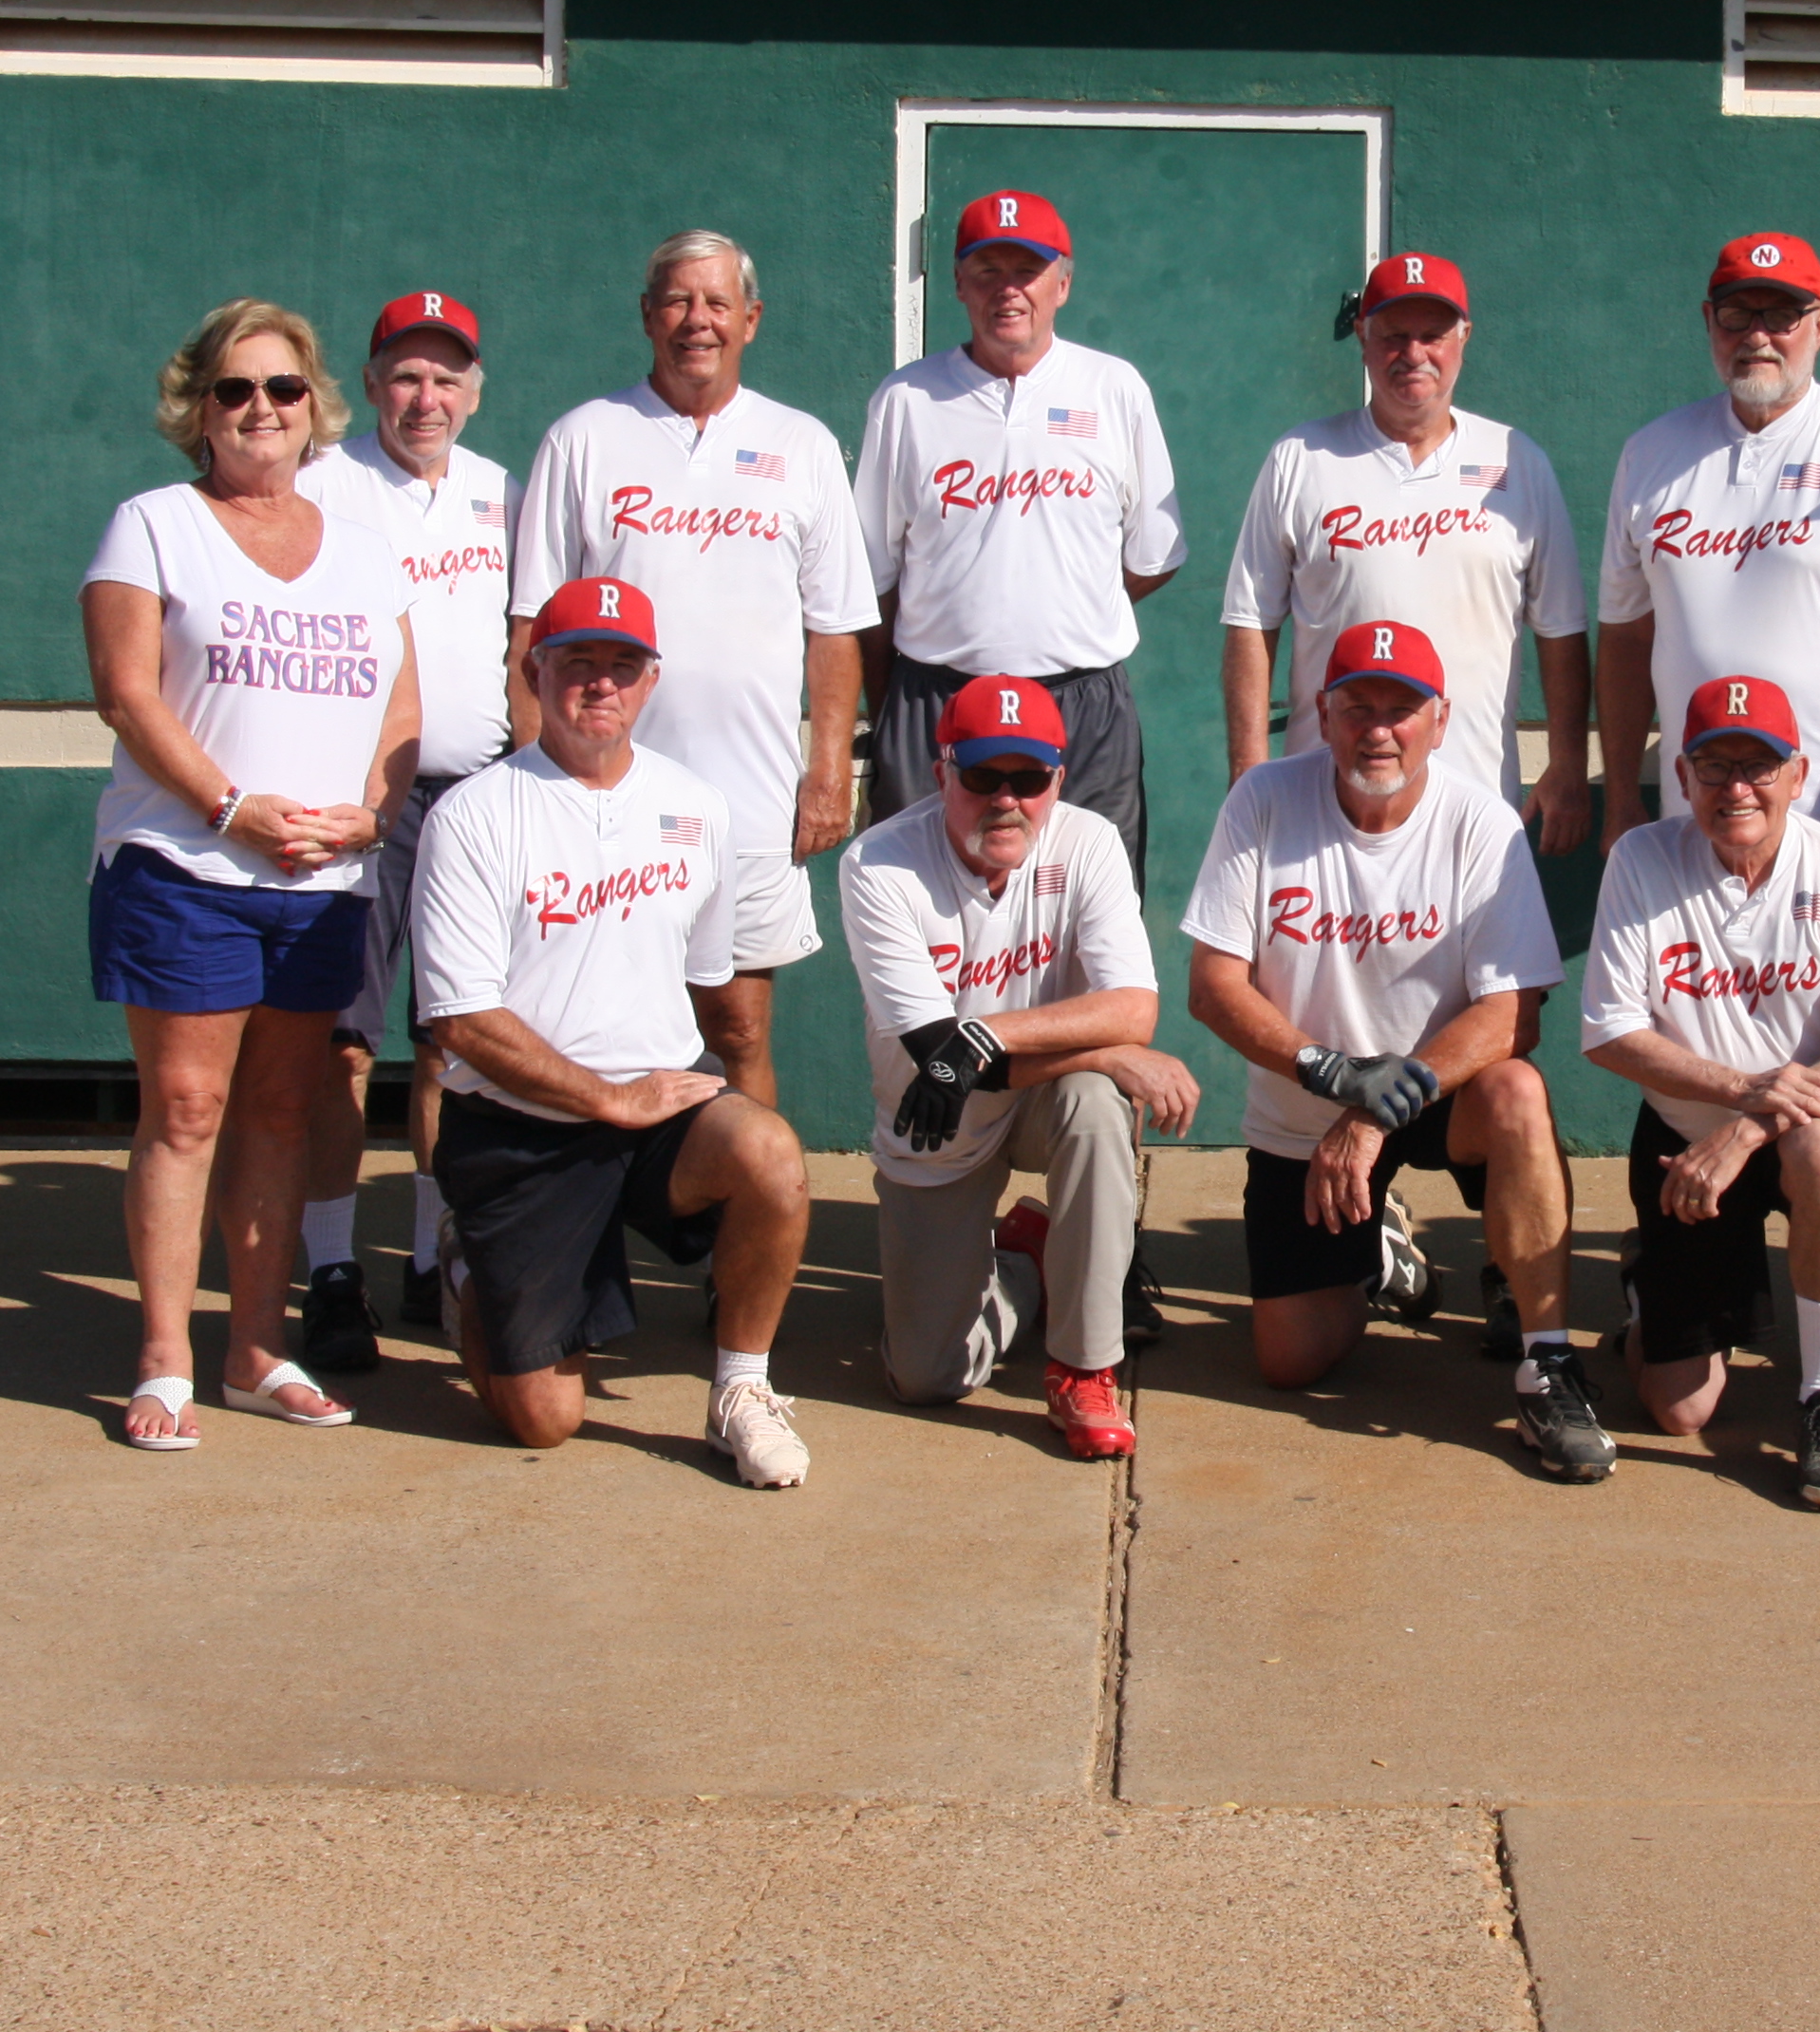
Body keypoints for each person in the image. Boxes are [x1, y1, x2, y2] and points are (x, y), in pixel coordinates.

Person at [1594, 231, 1820, 1373]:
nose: (1761, 332)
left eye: (1784, 312)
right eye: (1739, 311)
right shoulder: (1654, 454)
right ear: (1709, 323)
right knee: (1691, 1013)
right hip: (1700, 798)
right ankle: (1697, 1251)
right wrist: (1618, 789)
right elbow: (1625, 636)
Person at [79, 300, 419, 1452]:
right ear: (198, 408)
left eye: (281, 388)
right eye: (235, 390)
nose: (260, 410)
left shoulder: (366, 552)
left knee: (282, 1109)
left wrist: (368, 819)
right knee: (186, 1109)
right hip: (185, 865)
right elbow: (128, 693)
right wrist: (232, 807)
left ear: (314, 404)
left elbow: (401, 708)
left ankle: (255, 1351)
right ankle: (166, 1359)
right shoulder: (153, 525)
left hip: (320, 883)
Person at [412, 578, 818, 1488]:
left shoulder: (697, 808)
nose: (601, 685)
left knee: (771, 1158)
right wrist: (605, 1097)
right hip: (520, 1132)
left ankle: (741, 1394)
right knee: (542, 1423)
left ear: (651, 681)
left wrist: (659, 1101)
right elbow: (464, 1021)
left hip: (655, 1118)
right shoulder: (474, 814)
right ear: (534, 672)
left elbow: (708, 986)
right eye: (578, 664)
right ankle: (468, 1265)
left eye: (622, 666)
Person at [1183, 621, 1612, 1482]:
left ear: (1441, 721)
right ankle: (1376, 1253)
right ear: (1322, 714)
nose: (1380, 729)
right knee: (1289, 1361)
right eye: (1358, 708)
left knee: (1519, 1092)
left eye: (1402, 710)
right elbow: (1213, 986)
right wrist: (1334, 1075)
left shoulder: (1480, 823)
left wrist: (1379, 1108)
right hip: (1310, 1106)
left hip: (1436, 1097)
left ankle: (1549, 1363)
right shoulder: (1262, 801)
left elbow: (1510, 1017)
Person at [505, 229, 874, 1110]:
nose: (696, 321)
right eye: (677, 300)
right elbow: (531, 626)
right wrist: (534, 781)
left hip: (751, 800)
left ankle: (737, 1236)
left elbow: (835, 630)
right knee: (579, 1025)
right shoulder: (584, 439)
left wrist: (827, 770)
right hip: (600, 798)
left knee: (739, 1029)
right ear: (646, 316)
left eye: (716, 303)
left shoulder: (804, 444)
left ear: (751, 319)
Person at [838, 674, 1197, 1462]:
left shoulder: (1087, 841)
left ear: (1057, 781)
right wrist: (1106, 1050)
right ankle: (1026, 1260)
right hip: (934, 1120)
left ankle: (1084, 1366)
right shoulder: (879, 864)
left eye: (1029, 779)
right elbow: (941, 1060)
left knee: (1096, 1104)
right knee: (928, 1378)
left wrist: (994, 1038)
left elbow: (1134, 1007)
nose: (1007, 800)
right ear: (942, 776)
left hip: (1040, 1102)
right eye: (982, 777)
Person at [1578, 676, 1820, 1510]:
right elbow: (1611, 1031)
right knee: (1678, 1409)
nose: (1737, 788)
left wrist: (1746, 1125)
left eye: (1759, 766)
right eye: (1714, 766)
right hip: (1684, 1139)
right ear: (1682, 778)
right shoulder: (1642, 859)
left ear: (1799, 775)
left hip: (1793, 1134)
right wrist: (1741, 1091)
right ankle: (1652, 1284)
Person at [292, 291, 518, 1370]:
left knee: (451, 1041)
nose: (425, 398)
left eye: (447, 378)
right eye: (406, 375)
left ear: (474, 392)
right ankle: (332, 1272)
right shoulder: (324, 483)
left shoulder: (500, 495)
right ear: (373, 384)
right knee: (339, 1042)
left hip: (473, 800)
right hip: (356, 801)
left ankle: (436, 1255)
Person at [855, 189, 1186, 872]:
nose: (1008, 291)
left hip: (1082, 702)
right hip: (937, 695)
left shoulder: (1113, 388)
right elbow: (872, 578)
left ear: (1062, 283)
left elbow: (1153, 557)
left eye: (1026, 271)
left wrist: (1068, 606)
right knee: (923, 908)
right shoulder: (907, 400)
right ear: (957, 283)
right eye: (987, 271)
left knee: (1093, 916)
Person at [1222, 249, 1592, 851]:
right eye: (1394, 335)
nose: (1413, 354)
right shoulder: (1301, 458)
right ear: (1364, 336)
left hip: (1475, 809)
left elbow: (1561, 632)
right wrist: (1249, 776)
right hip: (1320, 808)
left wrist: (1568, 763)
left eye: (1433, 335)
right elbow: (1249, 624)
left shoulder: (1516, 461)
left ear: (1464, 338)